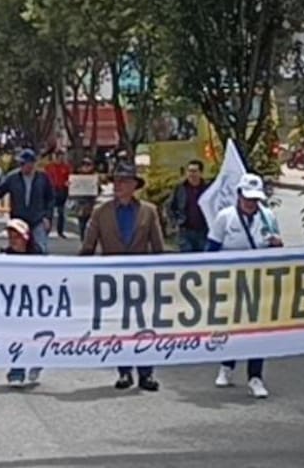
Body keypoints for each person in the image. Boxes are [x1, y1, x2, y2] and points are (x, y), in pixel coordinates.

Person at [80, 164, 165, 391]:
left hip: (142, 278)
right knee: (118, 325)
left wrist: (164, 273)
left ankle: (146, 373)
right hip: (112, 278)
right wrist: (76, 270)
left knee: (144, 325)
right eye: (116, 180)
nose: (118, 185)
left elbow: (158, 247)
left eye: (124, 181)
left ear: (134, 186)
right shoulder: (102, 212)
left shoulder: (149, 211)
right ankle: (124, 371)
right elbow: (89, 245)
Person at [206, 173, 281, 396]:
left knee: (257, 329)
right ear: (239, 195)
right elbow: (211, 249)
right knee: (231, 326)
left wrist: (277, 244)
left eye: (255, 199)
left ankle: (255, 376)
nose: (251, 203)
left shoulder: (268, 217)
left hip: (259, 282)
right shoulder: (225, 217)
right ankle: (226, 367)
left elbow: (277, 251)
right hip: (230, 282)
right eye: (247, 198)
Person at [0, 149, 54, 252]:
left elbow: (50, 199)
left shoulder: (43, 178)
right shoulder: (12, 177)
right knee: (17, 249)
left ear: (32, 164)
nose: (22, 166)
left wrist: (48, 217)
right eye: (20, 163)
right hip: (18, 220)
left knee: (40, 249)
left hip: (37, 220)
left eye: (24, 163)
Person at [2, 218, 46, 387]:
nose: (13, 240)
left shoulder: (38, 259)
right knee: (17, 338)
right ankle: (16, 372)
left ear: (26, 238)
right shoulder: (4, 258)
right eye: (10, 236)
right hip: (14, 307)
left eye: (17, 236)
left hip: (35, 306)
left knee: (35, 337)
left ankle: (37, 361)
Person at [168, 160, 210, 252]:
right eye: (189, 171)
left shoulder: (208, 188)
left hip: (204, 231)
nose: (191, 174)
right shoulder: (180, 188)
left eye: (194, 171)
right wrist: (174, 222)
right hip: (185, 231)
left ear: (201, 173)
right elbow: (170, 207)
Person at [45, 150, 72, 239]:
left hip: (62, 190)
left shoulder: (66, 167)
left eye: (61, 156)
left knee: (61, 212)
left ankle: (60, 231)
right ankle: (47, 230)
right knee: (50, 212)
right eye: (58, 156)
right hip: (52, 190)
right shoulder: (49, 167)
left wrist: (68, 184)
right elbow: (46, 178)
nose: (60, 158)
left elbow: (69, 178)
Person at [73, 157, 98, 240]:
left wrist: (96, 186)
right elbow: (73, 188)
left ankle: (87, 237)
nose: (86, 167)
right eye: (84, 165)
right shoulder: (77, 176)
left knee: (89, 220)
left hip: (89, 202)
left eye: (88, 165)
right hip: (80, 202)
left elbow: (98, 190)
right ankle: (82, 237)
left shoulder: (93, 176)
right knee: (81, 221)